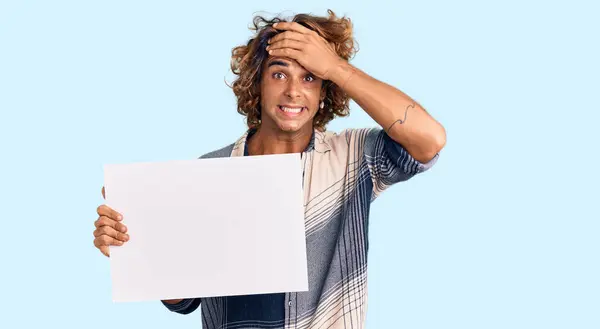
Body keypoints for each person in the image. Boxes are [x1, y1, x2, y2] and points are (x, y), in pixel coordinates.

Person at [93, 9, 446, 329]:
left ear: (325, 90)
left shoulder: (354, 157)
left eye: (310, 78)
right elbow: (183, 299)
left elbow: (429, 139)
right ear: (257, 84)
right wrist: (136, 246)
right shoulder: (209, 173)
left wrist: (336, 67)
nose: (294, 91)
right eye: (279, 74)